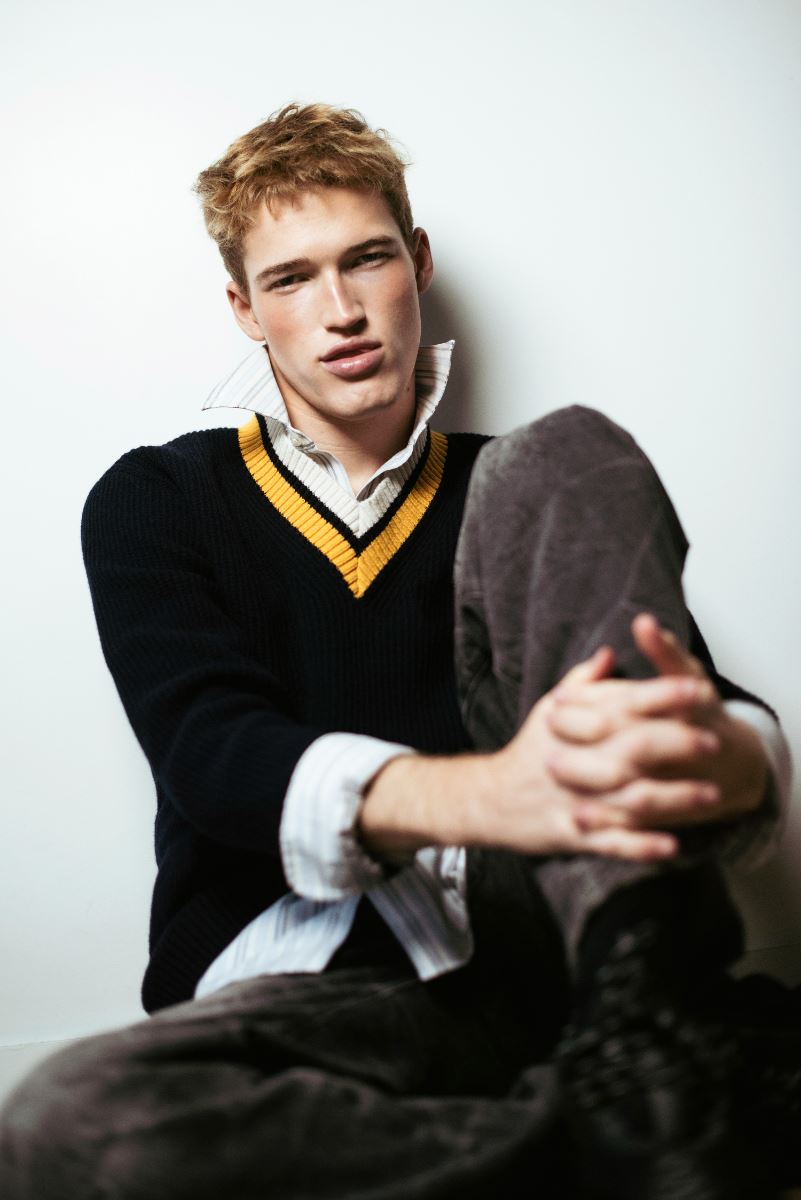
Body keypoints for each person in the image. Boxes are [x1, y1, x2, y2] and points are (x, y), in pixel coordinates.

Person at [0, 102, 795, 1199]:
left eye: (366, 259)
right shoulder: (159, 497)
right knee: (67, 1131)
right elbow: (211, 752)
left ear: (416, 261)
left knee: (561, 448)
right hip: (303, 994)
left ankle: (647, 1041)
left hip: (568, 958)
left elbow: (693, 694)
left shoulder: (525, 489)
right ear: (244, 308)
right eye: (290, 280)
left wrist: (730, 758)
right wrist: (495, 796)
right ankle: (643, 1129)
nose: (341, 312)